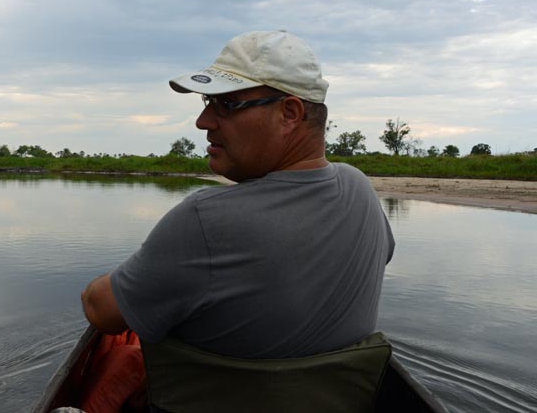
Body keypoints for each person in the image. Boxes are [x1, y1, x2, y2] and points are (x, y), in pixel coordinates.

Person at [81, 30, 394, 362]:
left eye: (227, 104)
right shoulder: (359, 187)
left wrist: (145, 268)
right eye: (208, 103)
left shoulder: (205, 219)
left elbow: (99, 309)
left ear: (289, 114)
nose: (204, 122)